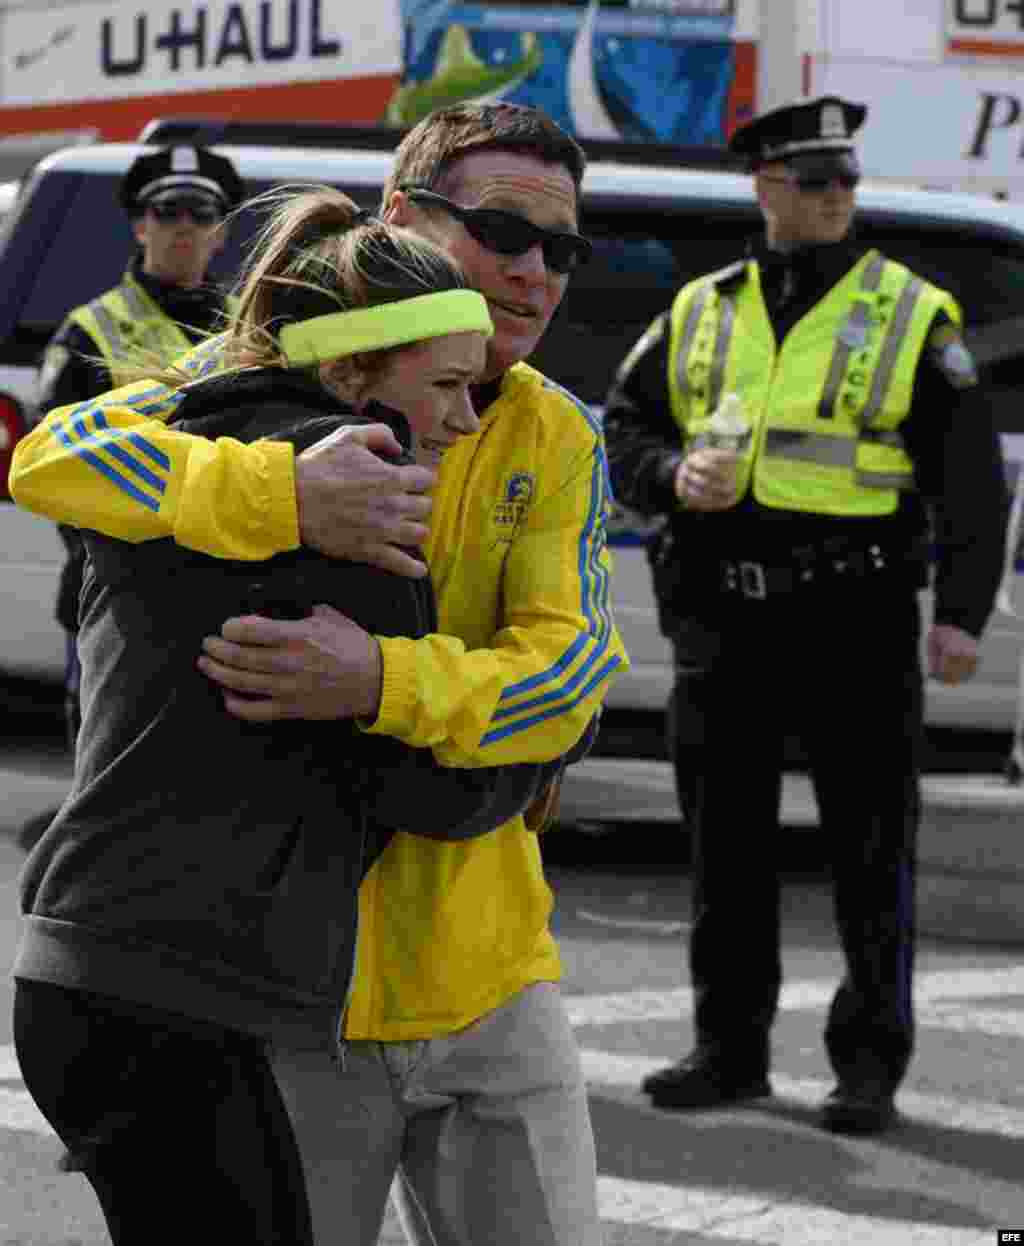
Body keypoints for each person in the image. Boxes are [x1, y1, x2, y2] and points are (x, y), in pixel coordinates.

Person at [11, 103, 626, 1245]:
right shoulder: (251, 382)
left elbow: (571, 670)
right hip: (286, 995)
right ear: (401, 222)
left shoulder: (558, 435)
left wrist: (382, 682)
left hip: (488, 978)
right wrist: (285, 495)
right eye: (502, 231)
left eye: (564, 248)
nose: (537, 271)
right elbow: (54, 456)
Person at [602, 94, 1009, 1137]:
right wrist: (664, 471)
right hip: (722, 618)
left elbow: (969, 481)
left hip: (856, 611)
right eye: (814, 180)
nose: (836, 198)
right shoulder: (701, 307)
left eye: (846, 182)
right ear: (766, 187)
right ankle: (726, 1051)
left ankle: (866, 1065)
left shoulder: (908, 310)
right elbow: (627, 423)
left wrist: (958, 614)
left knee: (871, 852)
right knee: (722, 851)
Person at [16, 143, 244, 854]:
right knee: (109, 766)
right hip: (111, 589)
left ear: (221, 229)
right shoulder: (90, 331)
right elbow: (50, 471)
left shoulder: (252, 330)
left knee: (216, 779)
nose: (182, 224)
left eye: (199, 211)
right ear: (138, 226)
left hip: (232, 585)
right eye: (165, 211)